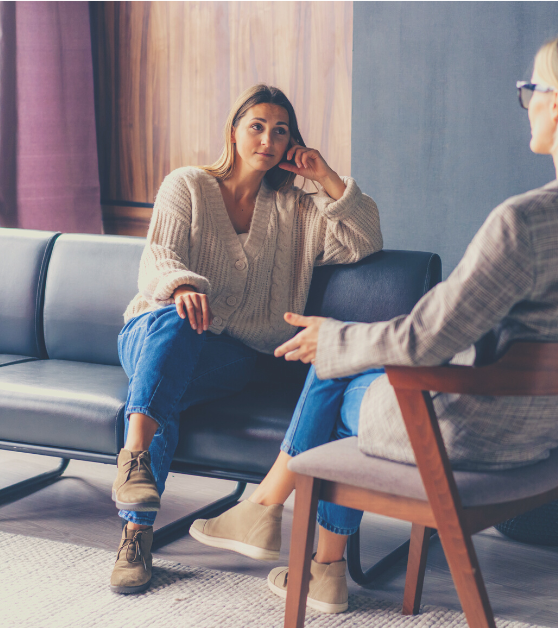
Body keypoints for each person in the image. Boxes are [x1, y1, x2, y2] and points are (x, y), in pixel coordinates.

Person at [190, 26, 558, 614]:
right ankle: (311, 558)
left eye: (530, 90)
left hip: (468, 435)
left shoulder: (527, 221)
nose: (527, 105)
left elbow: (427, 338)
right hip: (549, 434)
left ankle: (280, 526)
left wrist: (335, 338)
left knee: (334, 366)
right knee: (347, 353)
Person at [110, 84, 383, 594]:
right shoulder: (187, 185)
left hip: (234, 356)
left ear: (291, 143)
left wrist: (325, 177)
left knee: (165, 389)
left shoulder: (298, 210)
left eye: (281, 131)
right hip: (152, 329)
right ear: (234, 133)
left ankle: (134, 527)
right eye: (257, 126)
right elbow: (157, 258)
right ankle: (136, 471)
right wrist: (184, 285)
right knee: (177, 323)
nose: (268, 138)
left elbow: (365, 242)